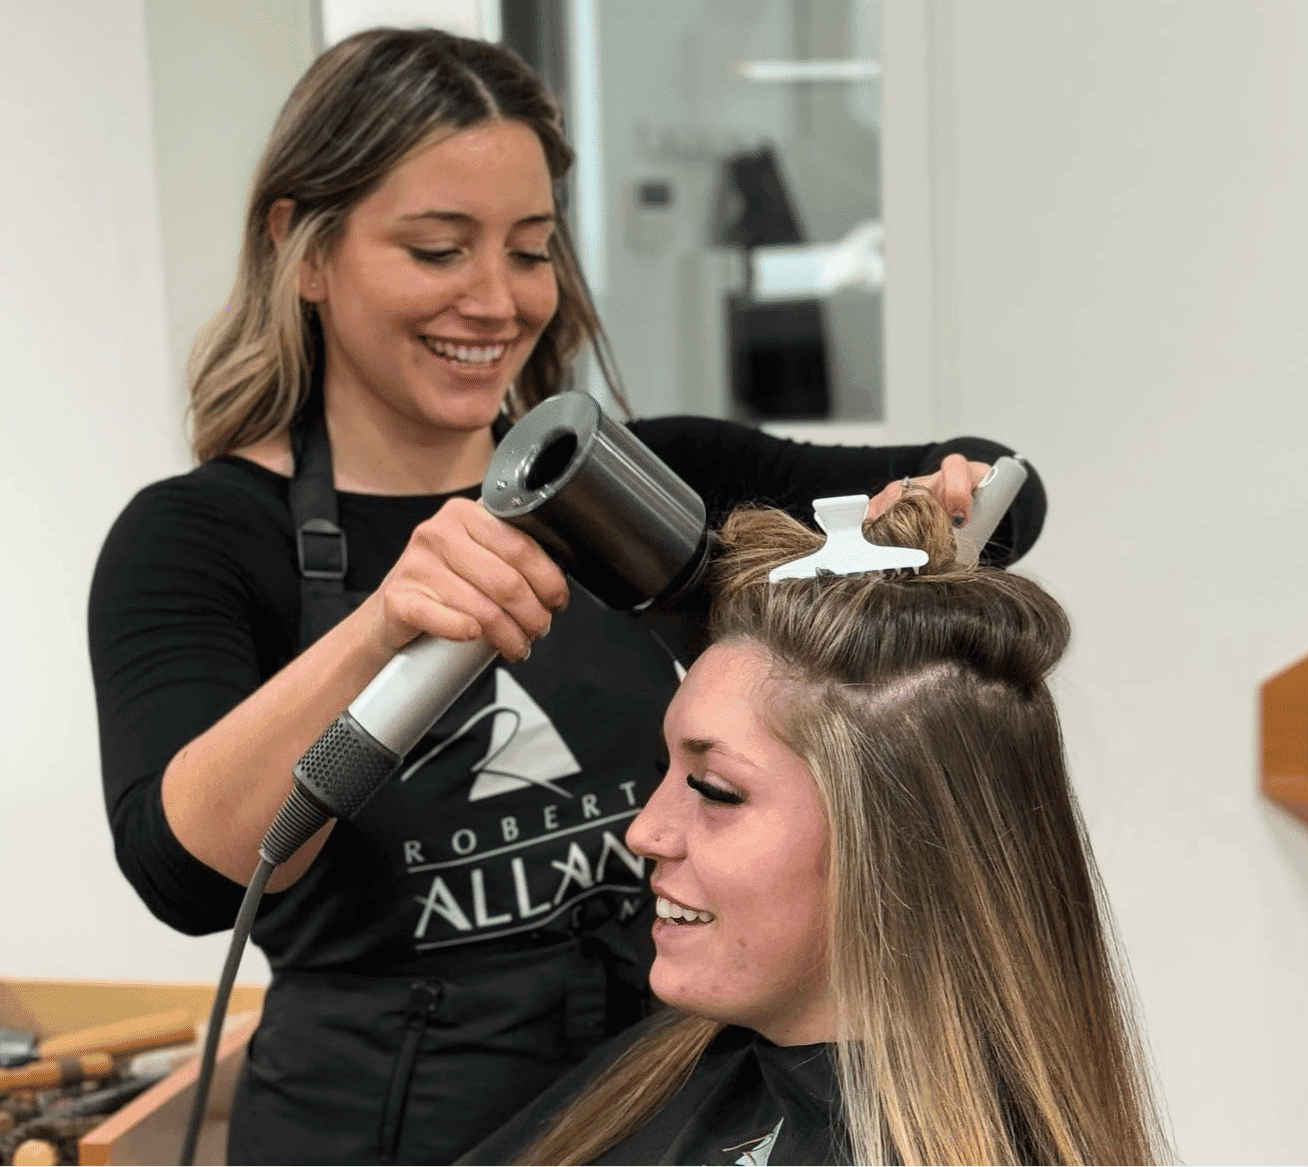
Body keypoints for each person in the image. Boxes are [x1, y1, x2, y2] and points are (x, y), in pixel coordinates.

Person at [86, 28, 1047, 1166]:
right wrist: (384, 626)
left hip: (653, 1093)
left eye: (532, 251)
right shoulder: (197, 538)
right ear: (303, 248)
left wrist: (938, 502)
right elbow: (184, 873)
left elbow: (997, 493)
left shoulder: (621, 489)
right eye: (440, 250)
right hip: (376, 1130)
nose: (497, 300)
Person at [462, 493, 1169, 1166]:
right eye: (664, 770)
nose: (646, 831)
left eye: (714, 790)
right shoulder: (664, 1070)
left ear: (895, 843)